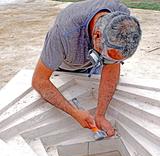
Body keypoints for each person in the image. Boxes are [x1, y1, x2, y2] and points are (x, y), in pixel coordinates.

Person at [32, 0, 142, 137]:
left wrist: (100, 115)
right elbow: (39, 81)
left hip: (92, 53)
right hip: (66, 67)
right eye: (106, 57)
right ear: (96, 35)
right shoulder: (64, 32)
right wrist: (74, 112)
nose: (107, 63)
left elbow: (111, 67)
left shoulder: (123, 21)